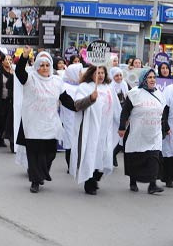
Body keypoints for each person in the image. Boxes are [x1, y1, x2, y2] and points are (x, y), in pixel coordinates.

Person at [15, 47, 97, 193]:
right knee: (34, 154)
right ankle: (35, 180)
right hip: (33, 124)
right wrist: (25, 56)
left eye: (47, 65)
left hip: (50, 124)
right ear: (36, 66)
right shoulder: (30, 78)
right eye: (41, 65)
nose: (44, 68)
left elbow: (69, 102)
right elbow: (19, 72)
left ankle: (41, 173)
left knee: (50, 154)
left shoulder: (57, 82)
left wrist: (88, 100)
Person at [70, 65, 121, 195]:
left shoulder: (109, 88)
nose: (101, 75)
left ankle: (96, 176)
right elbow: (77, 105)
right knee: (90, 155)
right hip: (91, 129)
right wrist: (91, 98)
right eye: (98, 72)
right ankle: (90, 182)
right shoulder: (84, 88)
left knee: (105, 155)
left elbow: (115, 108)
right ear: (91, 74)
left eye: (103, 73)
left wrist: (122, 123)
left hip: (105, 130)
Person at [119, 69, 165, 194]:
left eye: (154, 77)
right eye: (149, 77)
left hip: (154, 132)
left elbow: (163, 113)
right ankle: (133, 182)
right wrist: (122, 127)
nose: (152, 80)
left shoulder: (160, 94)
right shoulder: (134, 93)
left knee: (154, 156)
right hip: (138, 131)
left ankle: (152, 185)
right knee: (136, 157)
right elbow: (125, 111)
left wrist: (165, 129)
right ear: (143, 79)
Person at [61, 63, 83, 172]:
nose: (81, 74)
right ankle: (70, 165)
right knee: (70, 141)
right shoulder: (64, 86)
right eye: (79, 72)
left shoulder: (82, 86)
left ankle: (78, 163)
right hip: (69, 119)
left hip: (80, 118)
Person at [110, 67, 129, 167]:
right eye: (116, 75)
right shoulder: (110, 86)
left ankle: (113, 154)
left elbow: (127, 97)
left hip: (123, 112)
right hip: (114, 114)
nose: (119, 77)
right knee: (115, 135)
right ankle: (110, 155)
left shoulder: (124, 84)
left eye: (120, 75)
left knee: (123, 136)